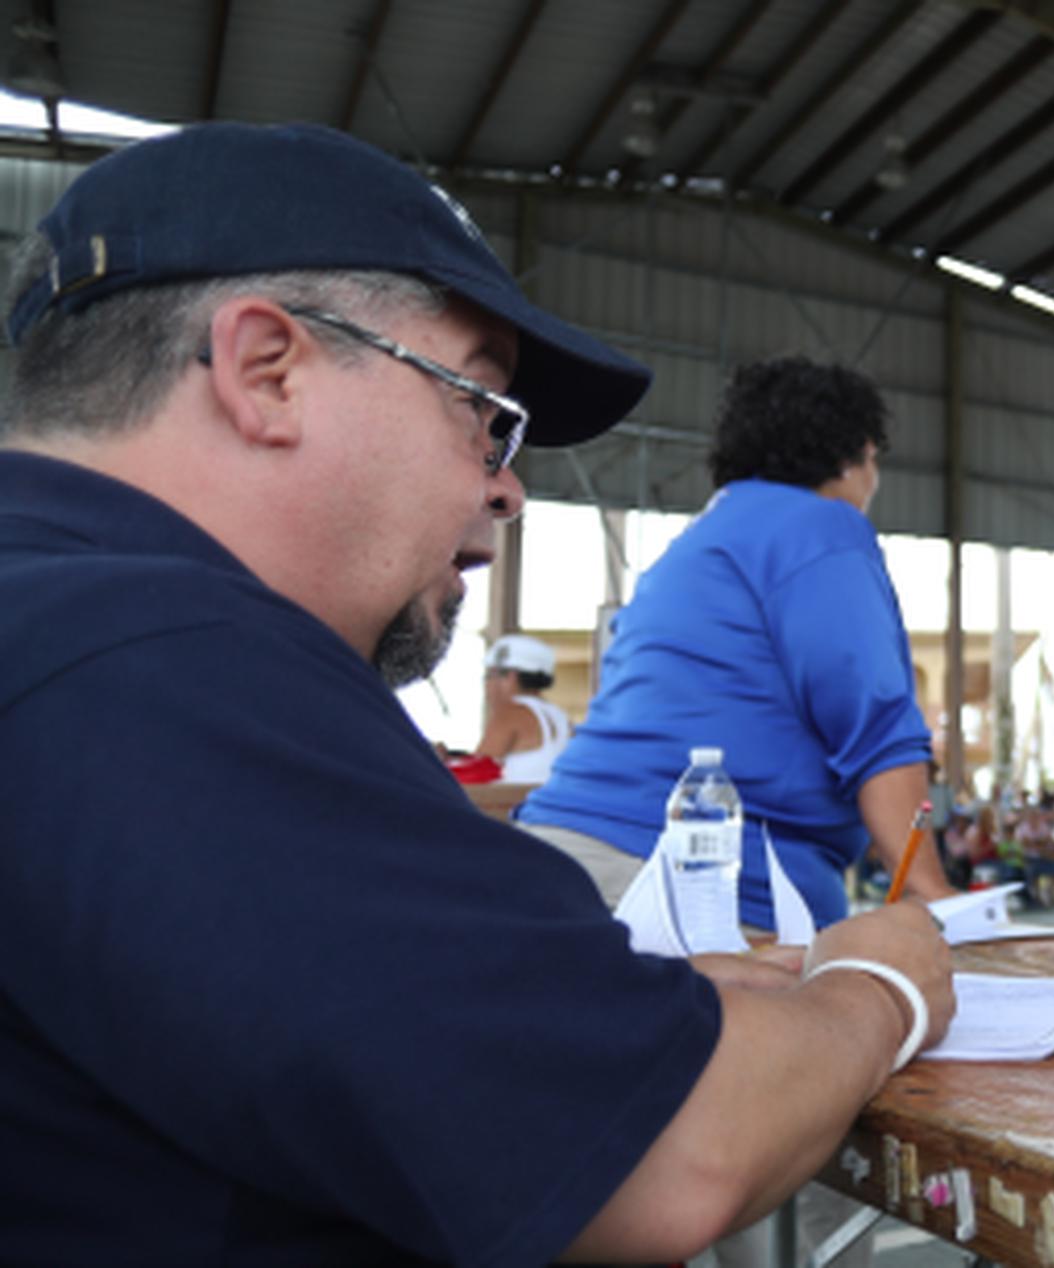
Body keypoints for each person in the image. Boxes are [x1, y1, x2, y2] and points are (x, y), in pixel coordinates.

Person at [0, 122, 954, 1263]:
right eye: (485, 412)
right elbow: (672, 1148)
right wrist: (883, 978)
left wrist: (584, 1001)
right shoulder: (158, 656)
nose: (507, 491)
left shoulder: (73, 627)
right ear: (268, 371)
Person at [520, 356, 959, 925]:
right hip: (696, 884)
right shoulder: (821, 527)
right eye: (874, 462)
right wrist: (934, 896)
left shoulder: (696, 544)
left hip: (561, 851)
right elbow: (875, 725)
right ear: (856, 456)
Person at [474, 631, 573, 783]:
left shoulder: (511, 714)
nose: (486, 685)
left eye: (489, 676)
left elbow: (473, 774)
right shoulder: (562, 718)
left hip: (519, 799)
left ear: (510, 677)